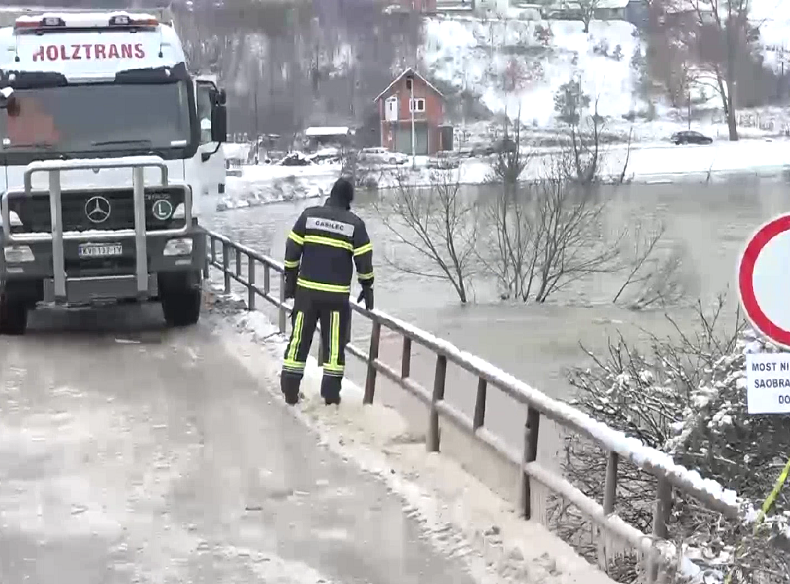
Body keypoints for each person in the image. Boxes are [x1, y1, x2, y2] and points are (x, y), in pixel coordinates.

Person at [280, 177, 374, 406]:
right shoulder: (355, 224)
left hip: (307, 294)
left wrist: (290, 280)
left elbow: (292, 249)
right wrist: (367, 287)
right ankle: (330, 397)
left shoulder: (309, 216)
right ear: (349, 201)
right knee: (333, 350)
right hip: (335, 298)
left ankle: (290, 391)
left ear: (330, 196)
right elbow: (364, 258)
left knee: (299, 340)